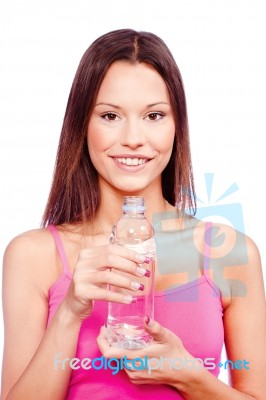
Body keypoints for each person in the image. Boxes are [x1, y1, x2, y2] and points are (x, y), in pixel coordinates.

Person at [1, 29, 266, 400]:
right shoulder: (33, 256)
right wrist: (71, 311)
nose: (132, 138)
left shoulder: (230, 254)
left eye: (154, 115)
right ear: (82, 125)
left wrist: (189, 376)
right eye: (110, 115)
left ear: (177, 126)